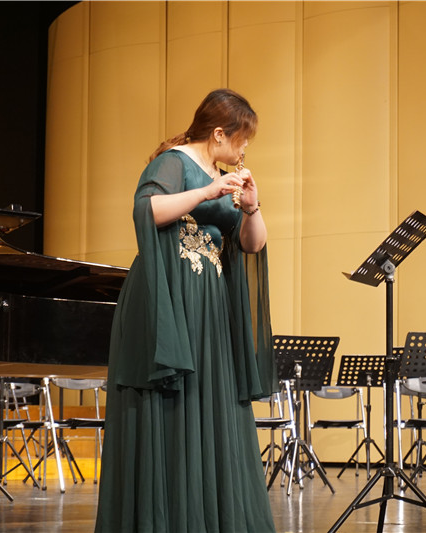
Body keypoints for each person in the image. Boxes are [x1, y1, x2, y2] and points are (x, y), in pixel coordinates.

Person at [95, 88, 277, 532]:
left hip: (210, 308)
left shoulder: (224, 177)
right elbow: (148, 211)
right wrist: (209, 191)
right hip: (168, 297)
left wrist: (252, 207)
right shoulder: (174, 162)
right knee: (171, 405)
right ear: (219, 134)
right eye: (241, 138)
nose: (245, 148)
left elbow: (252, 244)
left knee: (212, 406)